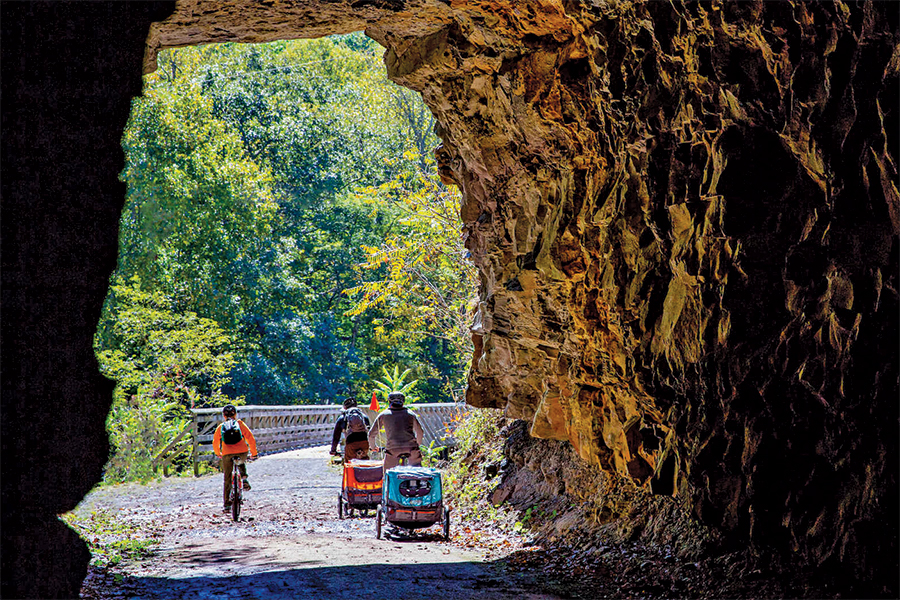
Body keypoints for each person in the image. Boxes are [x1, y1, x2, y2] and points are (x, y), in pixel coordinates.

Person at [213, 404, 258, 513]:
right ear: (235, 414)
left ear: (224, 415)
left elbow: (215, 441)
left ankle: (227, 505)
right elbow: (250, 438)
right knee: (239, 460)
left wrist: (218, 453)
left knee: (227, 478)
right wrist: (254, 453)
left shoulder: (221, 427)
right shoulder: (240, 424)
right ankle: (244, 477)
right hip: (242, 452)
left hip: (227, 454)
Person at [368, 391, 424, 473]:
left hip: (392, 449)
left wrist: (373, 447)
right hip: (411, 448)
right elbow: (420, 432)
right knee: (417, 472)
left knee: (388, 473)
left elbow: (371, 434)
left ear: (389, 401)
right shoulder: (410, 414)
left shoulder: (384, 414)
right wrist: (417, 445)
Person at [330, 397, 371, 461]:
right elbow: (369, 432)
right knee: (364, 463)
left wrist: (333, 450)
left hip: (351, 443)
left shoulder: (342, 418)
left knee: (349, 464)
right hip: (364, 443)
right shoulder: (364, 416)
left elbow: (336, 436)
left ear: (345, 408)